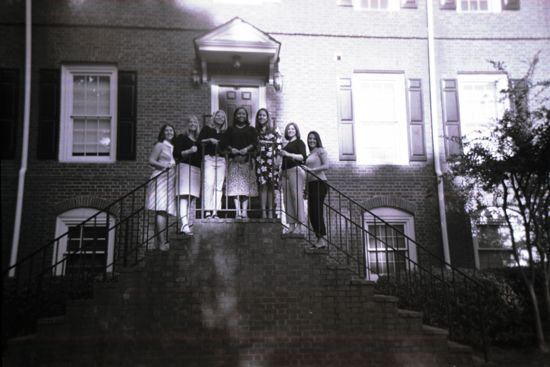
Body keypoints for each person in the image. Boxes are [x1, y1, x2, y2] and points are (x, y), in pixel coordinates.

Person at [221, 107, 258, 218]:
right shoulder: (230, 129)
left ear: (246, 116)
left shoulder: (251, 129)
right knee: (235, 186)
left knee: (245, 186)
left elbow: (255, 142)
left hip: (247, 160)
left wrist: (246, 149)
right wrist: (231, 149)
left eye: (243, 113)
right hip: (234, 161)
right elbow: (224, 143)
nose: (241, 115)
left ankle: (244, 211)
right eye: (239, 113)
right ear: (235, 116)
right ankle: (237, 211)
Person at [146, 124, 177, 251]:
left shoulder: (173, 147)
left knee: (165, 210)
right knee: (161, 209)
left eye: (171, 130)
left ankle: (163, 240)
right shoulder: (160, 145)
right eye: (167, 130)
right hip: (160, 178)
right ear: (163, 133)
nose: (169, 132)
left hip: (170, 180)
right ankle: (162, 242)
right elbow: (151, 160)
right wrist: (165, 166)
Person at [173, 115, 201, 235]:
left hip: (196, 169)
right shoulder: (181, 137)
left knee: (191, 197)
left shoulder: (198, 140)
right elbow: (176, 154)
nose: (192, 123)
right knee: (184, 196)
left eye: (195, 122)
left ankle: (187, 223)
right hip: (184, 168)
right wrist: (190, 151)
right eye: (190, 121)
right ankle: (184, 225)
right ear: (187, 124)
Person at [198, 110, 228, 219]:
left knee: (219, 186)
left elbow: (226, 146)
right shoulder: (207, 129)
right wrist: (210, 139)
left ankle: (215, 212)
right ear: (214, 117)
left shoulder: (224, 132)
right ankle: (207, 211)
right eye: (218, 116)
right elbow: (199, 141)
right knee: (209, 184)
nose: (220, 118)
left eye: (223, 117)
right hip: (209, 158)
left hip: (220, 159)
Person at [254, 108, 282, 219]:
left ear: (267, 117)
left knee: (271, 186)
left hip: (272, 161)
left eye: (264, 115)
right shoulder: (255, 131)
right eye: (259, 115)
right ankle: (263, 212)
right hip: (260, 161)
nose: (261, 117)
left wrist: (278, 160)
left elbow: (279, 145)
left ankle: (270, 212)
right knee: (262, 186)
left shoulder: (275, 129)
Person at [280, 122, 307, 235]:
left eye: (293, 129)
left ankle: (300, 226)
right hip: (285, 173)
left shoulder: (299, 142)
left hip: (295, 171)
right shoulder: (286, 144)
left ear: (296, 130)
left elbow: (302, 157)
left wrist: (287, 154)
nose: (290, 130)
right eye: (289, 129)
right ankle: (291, 225)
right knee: (287, 200)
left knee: (297, 199)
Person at [304, 131, 329, 248]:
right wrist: (305, 188)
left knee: (317, 211)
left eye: (314, 138)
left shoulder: (320, 151)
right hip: (311, 184)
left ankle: (322, 239)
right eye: (309, 139)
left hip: (320, 183)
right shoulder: (310, 154)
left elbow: (326, 166)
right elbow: (307, 173)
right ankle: (319, 239)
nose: (311, 140)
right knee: (311, 213)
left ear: (317, 139)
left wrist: (312, 171)